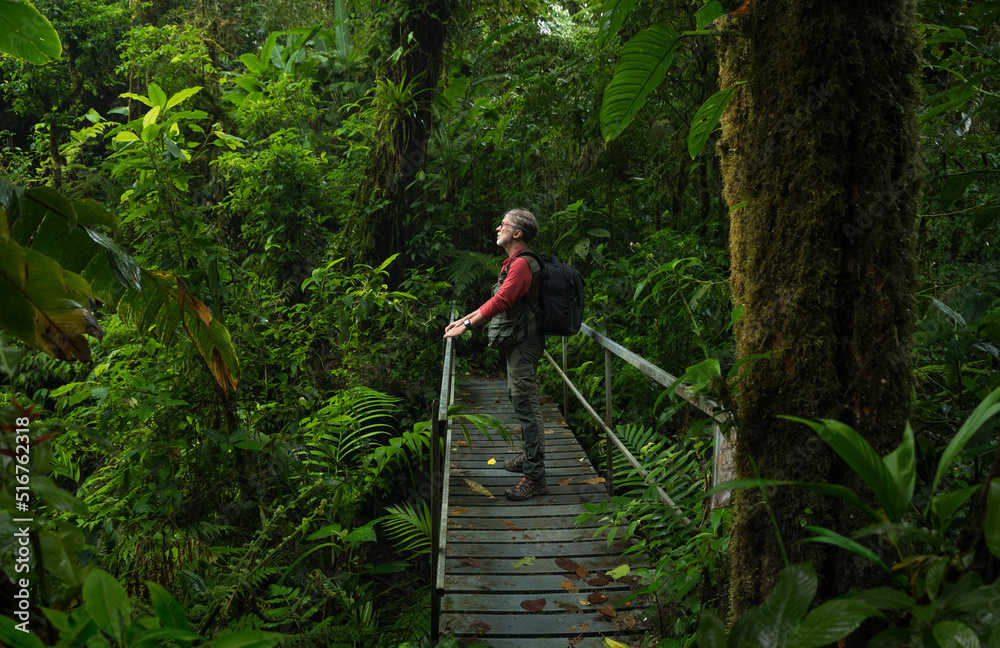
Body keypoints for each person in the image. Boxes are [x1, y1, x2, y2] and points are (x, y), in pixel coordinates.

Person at [444, 209, 547, 501]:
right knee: (519, 399)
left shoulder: (523, 265)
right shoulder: (515, 263)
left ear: (517, 233)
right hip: (519, 340)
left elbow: (502, 301)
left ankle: (536, 477)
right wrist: (462, 320)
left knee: (526, 404)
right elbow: (496, 300)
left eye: (503, 224)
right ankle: (529, 458)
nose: (497, 228)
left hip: (524, 343)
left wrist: (466, 326)